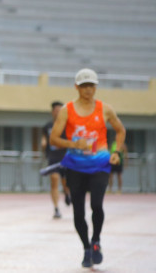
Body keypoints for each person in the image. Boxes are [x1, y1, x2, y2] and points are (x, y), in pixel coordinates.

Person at [50, 68, 126, 268]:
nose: (88, 89)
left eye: (91, 85)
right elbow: (54, 139)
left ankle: (96, 241)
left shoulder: (105, 109)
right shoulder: (67, 110)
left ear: (96, 87)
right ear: (76, 87)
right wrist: (73, 144)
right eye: (84, 86)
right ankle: (86, 248)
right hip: (75, 167)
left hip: (100, 165)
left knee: (97, 205)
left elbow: (120, 130)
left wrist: (116, 152)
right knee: (78, 212)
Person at [40, 101, 71, 219]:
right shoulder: (47, 126)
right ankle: (56, 208)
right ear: (52, 112)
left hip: (66, 157)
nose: (58, 113)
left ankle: (67, 193)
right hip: (53, 157)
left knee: (66, 183)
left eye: (60, 111)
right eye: (56, 110)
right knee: (54, 180)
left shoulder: (67, 126)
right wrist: (43, 143)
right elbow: (44, 139)